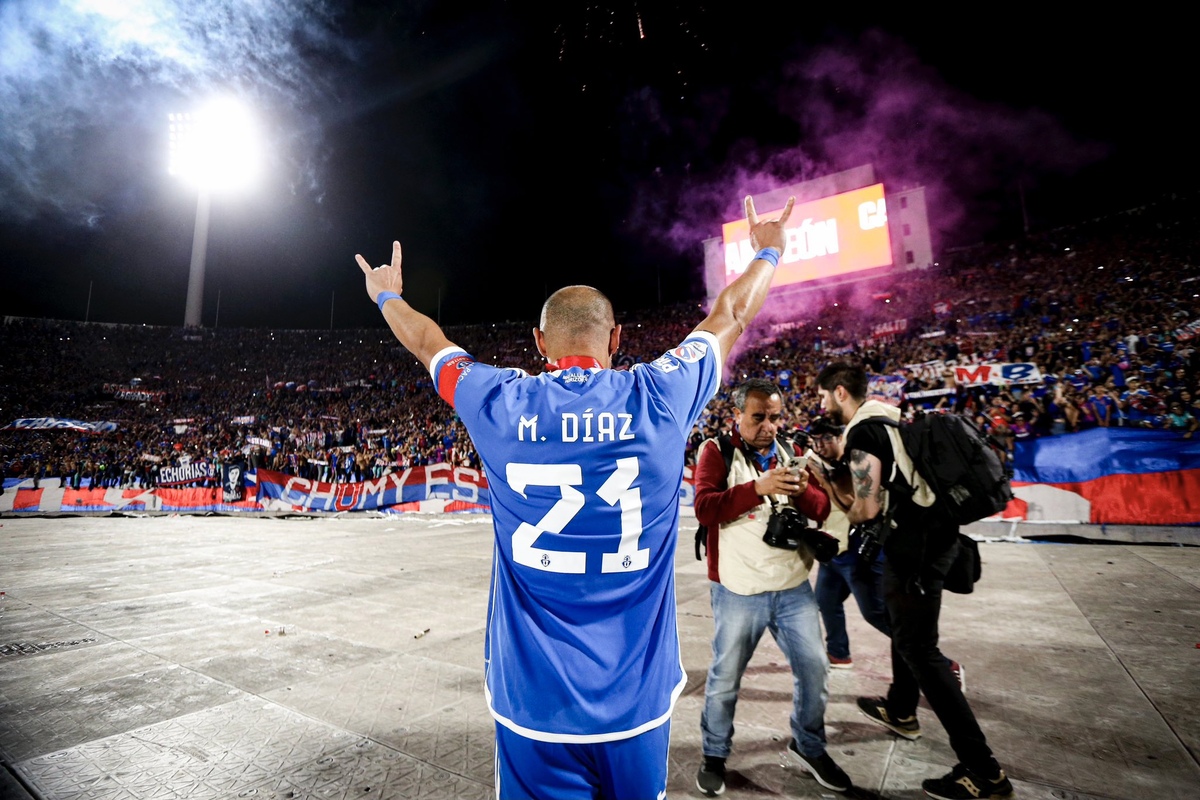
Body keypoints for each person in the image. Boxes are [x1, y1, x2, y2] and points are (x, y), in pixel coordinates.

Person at [355, 194, 795, 800]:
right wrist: (769, 250)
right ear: (616, 337)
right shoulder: (660, 397)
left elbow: (428, 343)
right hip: (635, 701)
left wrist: (386, 295)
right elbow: (729, 317)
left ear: (539, 341)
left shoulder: (499, 403)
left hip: (533, 701)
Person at [816, 361, 1012, 800]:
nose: (821, 404)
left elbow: (864, 510)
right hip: (935, 541)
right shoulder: (891, 417)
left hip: (915, 550)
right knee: (907, 637)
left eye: (823, 396)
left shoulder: (864, 434)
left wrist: (830, 485)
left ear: (841, 392)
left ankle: (984, 772)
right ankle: (901, 709)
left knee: (920, 649)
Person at [693, 378, 851, 795]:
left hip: (793, 585)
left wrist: (804, 492)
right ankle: (714, 753)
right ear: (738, 416)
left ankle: (809, 745)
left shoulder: (793, 452)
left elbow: (820, 509)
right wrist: (756, 489)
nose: (768, 425)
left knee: (815, 670)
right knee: (725, 678)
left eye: (775, 416)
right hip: (738, 588)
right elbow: (705, 509)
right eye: (758, 417)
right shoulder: (716, 451)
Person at [806, 416, 891, 669]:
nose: (821, 445)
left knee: (875, 613)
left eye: (827, 439)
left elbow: (853, 505)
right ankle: (839, 653)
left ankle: (930, 658)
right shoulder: (819, 465)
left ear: (840, 438)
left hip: (860, 550)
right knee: (826, 602)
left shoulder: (855, 461)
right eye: (816, 440)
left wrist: (825, 479)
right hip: (832, 550)